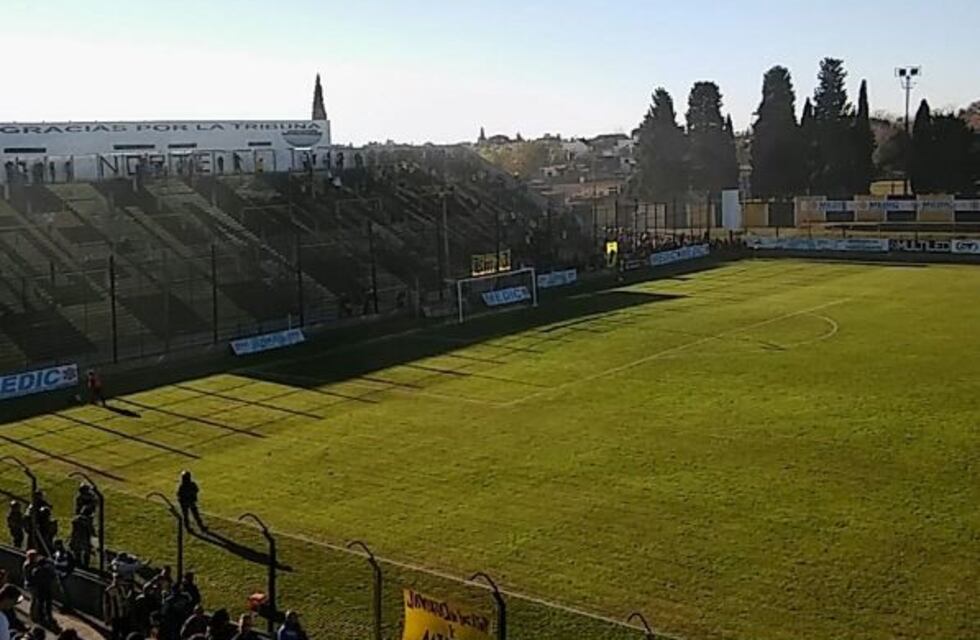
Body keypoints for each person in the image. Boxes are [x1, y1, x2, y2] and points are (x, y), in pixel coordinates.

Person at [23, 551, 55, 627]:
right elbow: (30, 577)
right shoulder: (29, 565)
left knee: (38, 601)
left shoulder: (35, 567)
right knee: (35, 600)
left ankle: (37, 615)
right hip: (33, 585)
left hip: (37, 586)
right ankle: (34, 615)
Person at [103, 574, 132, 640]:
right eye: (117, 579)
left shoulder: (122, 588)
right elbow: (106, 605)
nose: (119, 581)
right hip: (115, 616)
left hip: (123, 615)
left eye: (120, 580)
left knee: (124, 633)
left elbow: (124, 599)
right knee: (115, 634)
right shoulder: (109, 590)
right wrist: (107, 618)